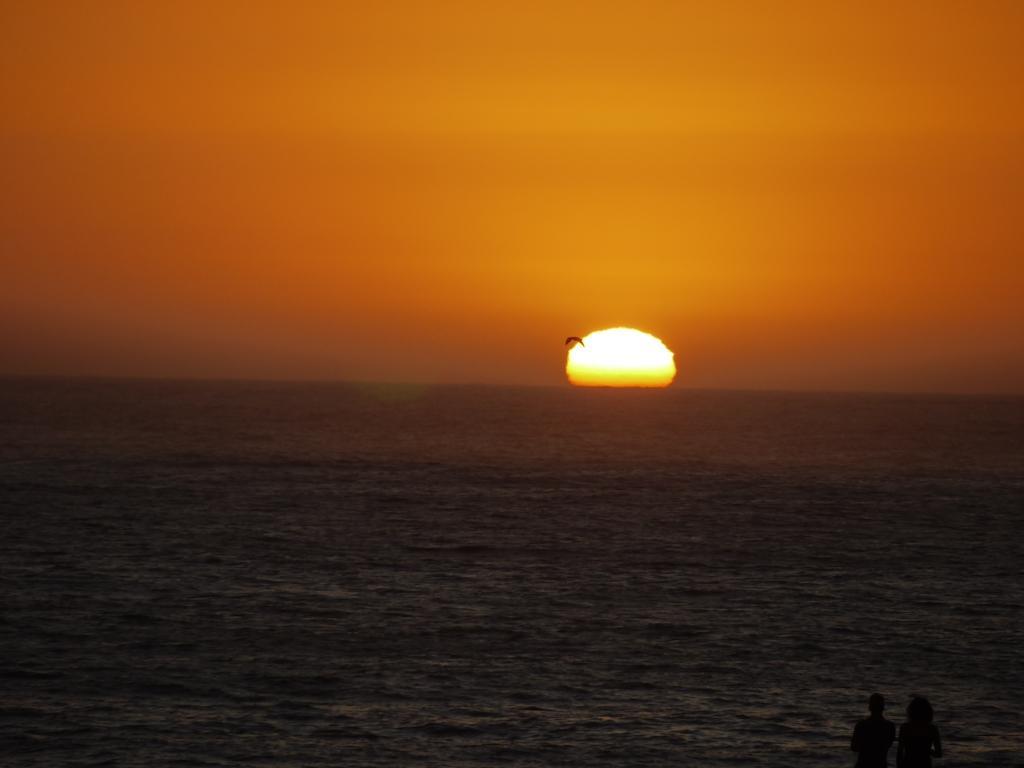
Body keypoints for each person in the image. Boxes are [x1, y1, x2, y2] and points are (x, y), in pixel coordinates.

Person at [851, 692, 897, 767]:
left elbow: (854, 747)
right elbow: (888, 745)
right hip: (880, 764)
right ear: (883, 708)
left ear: (870, 707)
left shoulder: (861, 725)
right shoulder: (890, 726)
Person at [897, 696, 942, 768]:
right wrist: (926, 750)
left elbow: (899, 753)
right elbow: (939, 754)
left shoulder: (905, 727)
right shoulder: (932, 729)